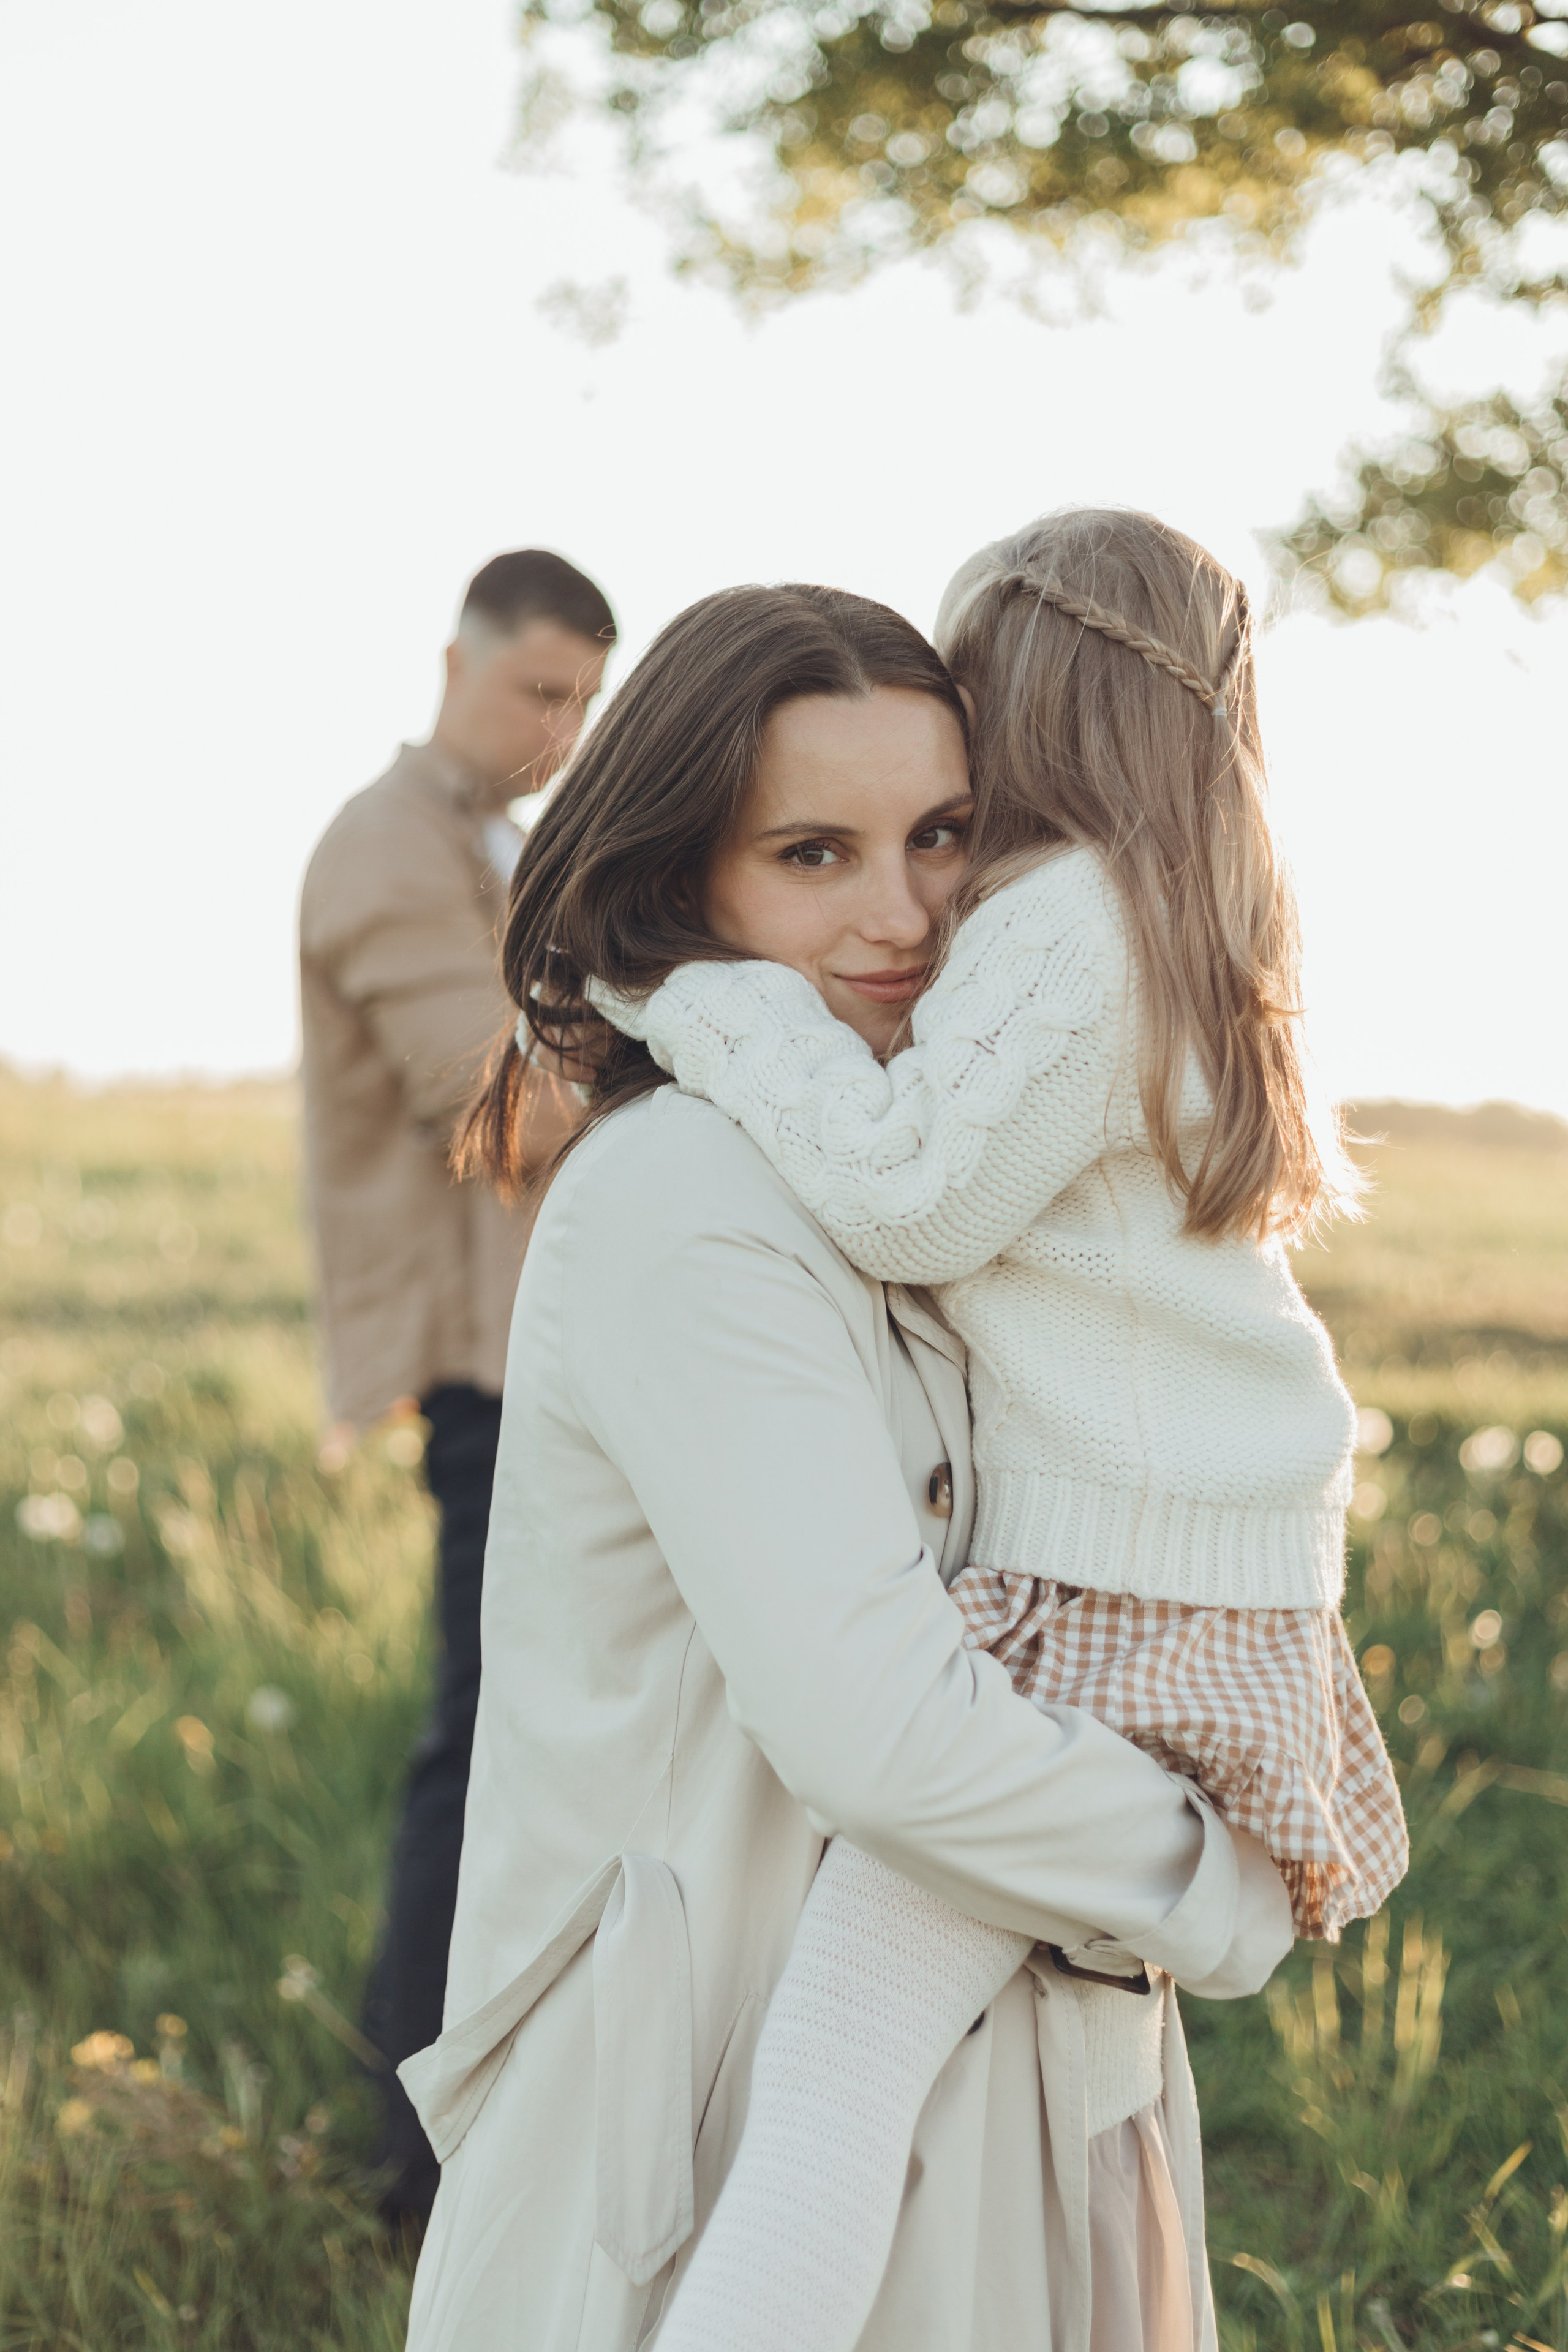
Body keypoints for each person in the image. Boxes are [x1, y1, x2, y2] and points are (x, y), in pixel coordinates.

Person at [396, 580, 1294, 2352]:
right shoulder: (687, 1201)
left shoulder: (924, 1167)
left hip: (988, 2057)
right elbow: (878, 1728)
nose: (904, 916)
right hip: (724, 2103)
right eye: (814, 854)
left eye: (948, 836)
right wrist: (1222, 1875)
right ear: (684, 882)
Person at [590, 511, 1410, 2352]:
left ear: (1024, 695)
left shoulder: (1064, 919)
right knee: (902, 2093)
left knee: (829, 2097)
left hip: (1109, 1598)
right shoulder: (1208, 907)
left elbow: (907, 1197)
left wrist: (699, 998)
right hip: (1230, 1602)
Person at [298, 547, 615, 2223]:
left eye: (580, 702)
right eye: (535, 692)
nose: (555, 730)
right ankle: (410, 2169)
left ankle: (480, 2123)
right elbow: (507, 1103)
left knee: (520, 1737)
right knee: (479, 1745)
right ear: (454, 663)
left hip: (542, 1348)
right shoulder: (382, 847)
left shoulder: (493, 844)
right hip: (485, 1367)